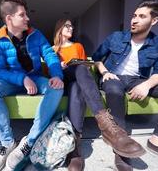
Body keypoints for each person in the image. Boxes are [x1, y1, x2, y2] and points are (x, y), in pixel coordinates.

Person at [92, 0, 158, 171]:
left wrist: (146, 85)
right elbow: (96, 58)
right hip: (113, 76)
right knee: (114, 90)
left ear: (154, 20)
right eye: (134, 15)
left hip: (139, 80)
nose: (134, 20)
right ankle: (121, 145)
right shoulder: (116, 37)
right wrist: (105, 72)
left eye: (141, 16)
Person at [0, 0, 64, 171]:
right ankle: (7, 143)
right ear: (9, 18)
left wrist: (56, 75)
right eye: (22, 15)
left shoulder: (36, 34)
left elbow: (50, 55)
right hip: (11, 80)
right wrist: (21, 79)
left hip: (35, 77)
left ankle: (30, 140)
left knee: (56, 88)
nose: (27, 18)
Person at [53, 18, 145, 171]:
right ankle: (107, 125)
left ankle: (75, 145)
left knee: (79, 80)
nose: (71, 28)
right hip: (63, 78)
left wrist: (86, 67)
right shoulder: (52, 49)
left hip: (79, 80)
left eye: (72, 26)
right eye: (67, 26)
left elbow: (85, 66)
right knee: (77, 72)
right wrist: (59, 66)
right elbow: (48, 72)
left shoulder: (78, 46)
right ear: (59, 29)